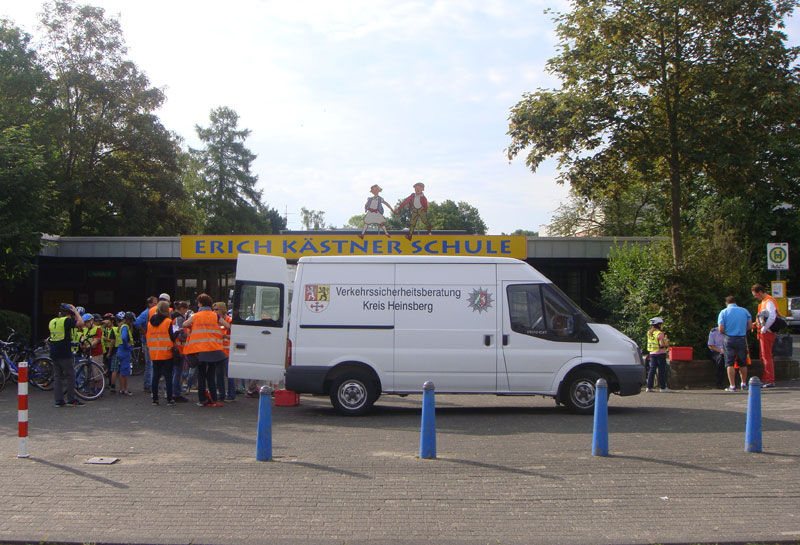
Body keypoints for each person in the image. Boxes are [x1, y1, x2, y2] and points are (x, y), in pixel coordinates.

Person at [181, 293, 229, 407]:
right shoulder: (215, 315)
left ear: (201, 303)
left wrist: (191, 326)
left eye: (198, 303)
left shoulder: (196, 316)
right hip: (213, 349)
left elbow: (184, 324)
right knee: (211, 375)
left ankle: (202, 399)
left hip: (200, 350)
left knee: (201, 375)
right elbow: (227, 325)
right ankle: (213, 398)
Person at [49, 303, 86, 407]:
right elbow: (80, 323)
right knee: (71, 375)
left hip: (54, 352)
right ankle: (71, 399)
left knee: (57, 377)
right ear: (69, 314)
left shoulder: (52, 321)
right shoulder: (66, 321)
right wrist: (76, 311)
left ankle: (59, 400)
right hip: (64, 352)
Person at [718, 295, 753, 391]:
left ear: (726, 303)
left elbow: (721, 328)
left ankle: (732, 386)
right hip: (741, 338)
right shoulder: (745, 311)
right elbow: (750, 326)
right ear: (735, 302)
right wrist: (742, 330)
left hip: (729, 338)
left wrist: (727, 332)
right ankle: (743, 384)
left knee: (729, 363)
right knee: (743, 362)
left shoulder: (723, 312)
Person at [147, 301, 177, 406]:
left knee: (155, 376)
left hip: (154, 352)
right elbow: (171, 336)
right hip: (166, 352)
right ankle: (169, 398)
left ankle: (155, 398)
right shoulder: (168, 321)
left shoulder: (150, 323)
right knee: (168, 376)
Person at [751, 284, 778, 388]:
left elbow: (772, 317)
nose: (755, 297)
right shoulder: (765, 301)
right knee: (763, 356)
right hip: (764, 331)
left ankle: (770, 380)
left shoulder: (769, 301)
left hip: (767, 332)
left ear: (761, 292)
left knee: (766, 356)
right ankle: (766, 378)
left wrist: (764, 328)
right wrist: (757, 324)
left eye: (755, 295)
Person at [134, 296, 158, 393]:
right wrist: (144, 332)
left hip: (150, 340)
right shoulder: (146, 313)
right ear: (150, 304)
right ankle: (148, 385)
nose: (157, 304)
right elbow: (136, 323)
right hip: (147, 341)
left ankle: (149, 384)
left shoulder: (151, 312)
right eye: (155, 303)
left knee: (150, 363)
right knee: (150, 364)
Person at [212, 301, 234, 401]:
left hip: (227, 350)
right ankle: (221, 394)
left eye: (216, 309)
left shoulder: (229, 320)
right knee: (219, 374)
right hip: (218, 349)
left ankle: (231, 394)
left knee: (229, 374)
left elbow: (235, 335)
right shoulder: (214, 321)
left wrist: (224, 336)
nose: (214, 311)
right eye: (213, 309)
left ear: (222, 309)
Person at [170, 301, 191, 402]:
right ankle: (176, 393)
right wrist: (188, 336)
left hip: (176, 348)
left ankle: (173, 391)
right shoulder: (179, 319)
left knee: (175, 372)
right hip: (180, 349)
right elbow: (181, 335)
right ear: (182, 309)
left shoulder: (172, 318)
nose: (186, 312)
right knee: (178, 372)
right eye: (186, 309)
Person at [645, 317, 670, 392]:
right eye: (661, 324)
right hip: (660, 353)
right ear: (658, 325)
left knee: (652, 370)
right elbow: (661, 344)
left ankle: (648, 387)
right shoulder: (660, 334)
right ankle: (662, 388)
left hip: (652, 353)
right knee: (661, 370)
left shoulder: (649, 332)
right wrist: (667, 344)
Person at [116, 312, 136, 396]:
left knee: (122, 371)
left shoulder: (121, 326)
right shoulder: (125, 327)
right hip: (124, 351)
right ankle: (124, 389)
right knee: (125, 371)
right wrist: (127, 346)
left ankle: (122, 389)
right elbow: (124, 337)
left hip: (120, 350)